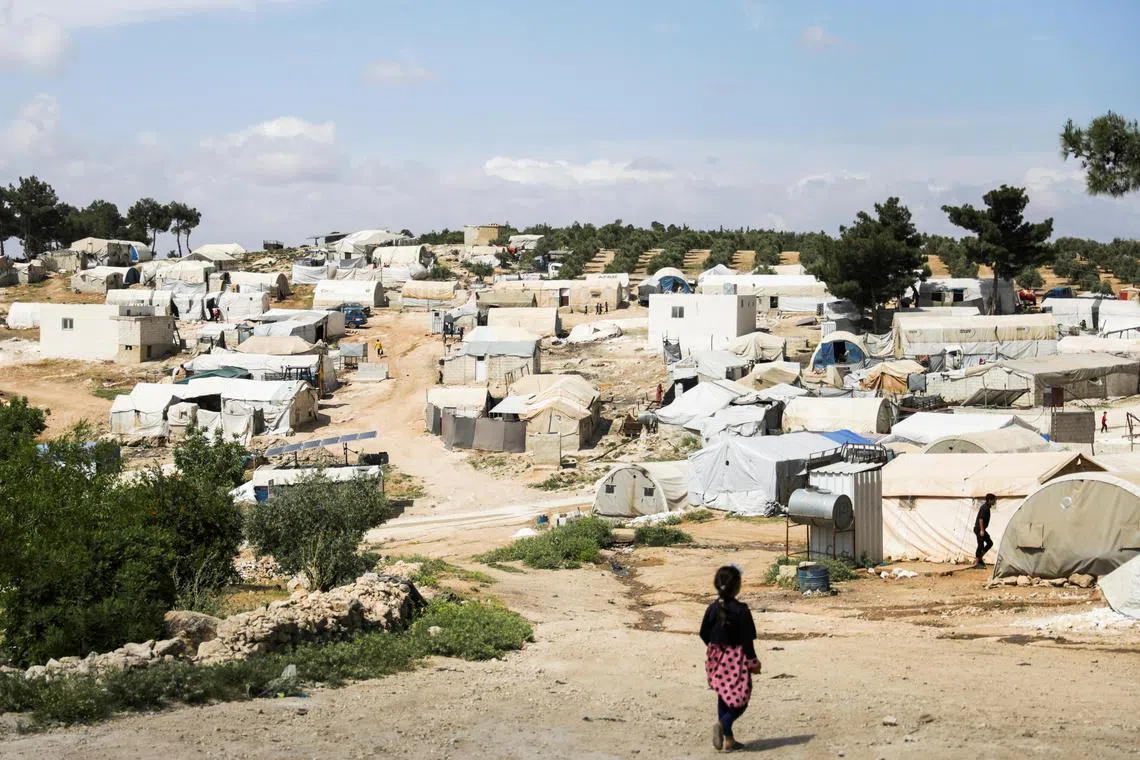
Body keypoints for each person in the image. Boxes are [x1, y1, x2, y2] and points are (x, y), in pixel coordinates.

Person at [700, 565, 760, 752]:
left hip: (716, 659)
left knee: (723, 695)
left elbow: (703, 633)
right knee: (741, 699)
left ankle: (729, 740)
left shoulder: (712, 608)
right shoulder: (742, 611)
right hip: (736, 660)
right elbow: (747, 641)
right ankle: (723, 724)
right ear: (737, 587)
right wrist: (753, 662)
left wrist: (715, 649)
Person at [974, 493, 995, 568]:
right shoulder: (985, 508)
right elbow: (981, 519)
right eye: (993, 500)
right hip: (979, 529)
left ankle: (980, 558)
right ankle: (977, 563)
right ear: (989, 500)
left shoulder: (987, 507)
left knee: (990, 543)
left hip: (981, 528)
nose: (994, 502)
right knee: (980, 545)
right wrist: (982, 530)